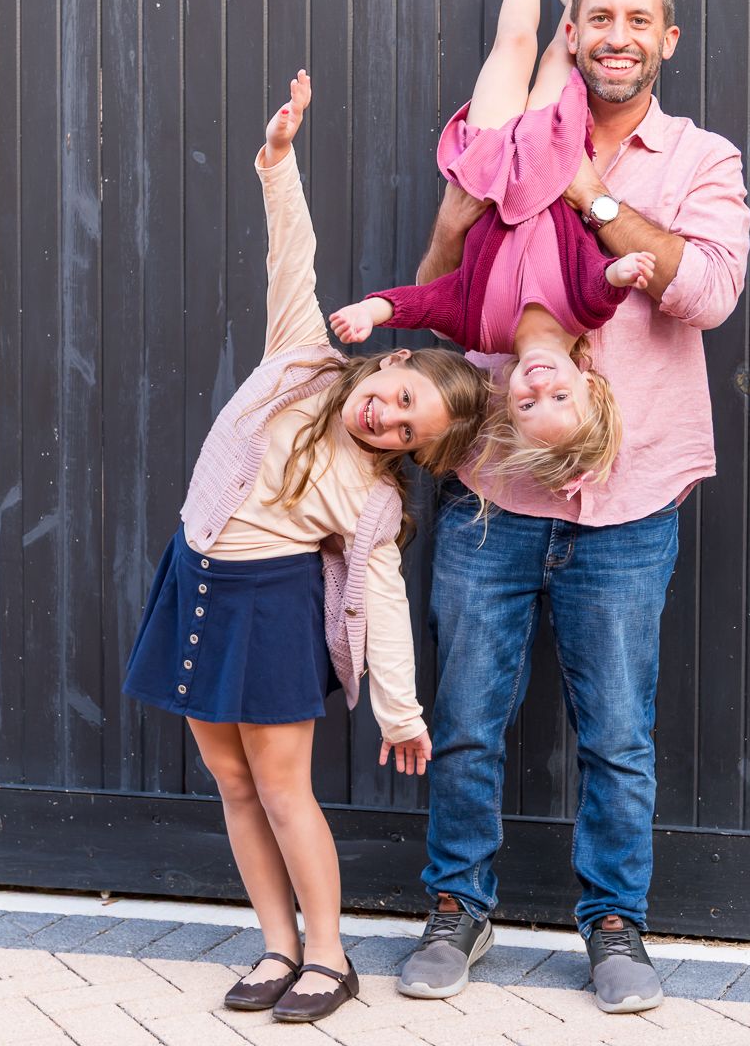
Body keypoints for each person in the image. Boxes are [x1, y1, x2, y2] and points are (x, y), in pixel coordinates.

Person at [396, 0, 750, 1016]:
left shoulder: (700, 160)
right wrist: (461, 211)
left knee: (618, 737)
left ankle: (614, 925)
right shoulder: (515, 132)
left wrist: (590, 195)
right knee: (465, 724)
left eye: (639, 19)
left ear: (667, 39)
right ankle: (457, 908)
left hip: (629, 505)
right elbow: (443, 288)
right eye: (599, 16)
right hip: (493, 493)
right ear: (575, 27)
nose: (618, 35)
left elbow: (707, 292)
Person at [123, 71, 487, 1025]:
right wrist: (279, 160)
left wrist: (402, 715)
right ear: (392, 360)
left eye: (408, 432)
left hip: (272, 607)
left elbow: (383, 603)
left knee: (283, 790)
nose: (387, 419)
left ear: (411, 453)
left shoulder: (369, 495)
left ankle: (328, 956)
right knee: (232, 782)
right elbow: (294, 251)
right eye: (399, 397)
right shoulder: (301, 354)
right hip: (195, 577)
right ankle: (276, 945)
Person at [330, 0, 653, 495]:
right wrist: (622, 271)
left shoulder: (480, 330)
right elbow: (601, 283)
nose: (539, 385)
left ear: (507, 402)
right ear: (588, 382)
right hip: (552, 158)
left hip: (489, 165)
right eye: (560, 396)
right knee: (560, 53)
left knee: (513, 45)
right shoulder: (583, 312)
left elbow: (427, 302)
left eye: (528, 405)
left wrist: (372, 310)